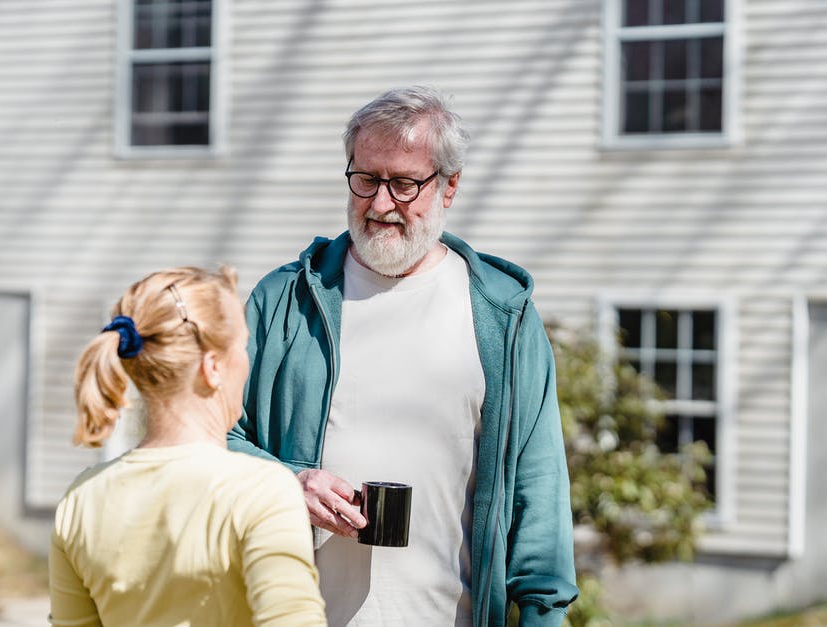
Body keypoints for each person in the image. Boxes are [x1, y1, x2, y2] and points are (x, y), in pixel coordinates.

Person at [227, 86, 579, 626]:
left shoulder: (502, 315)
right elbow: (210, 439)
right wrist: (287, 483)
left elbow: (540, 492)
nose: (380, 204)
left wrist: (542, 614)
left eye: (404, 184)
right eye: (366, 179)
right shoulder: (283, 302)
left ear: (449, 186)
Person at [49, 266, 327, 627]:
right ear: (213, 367)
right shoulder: (263, 491)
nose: (248, 363)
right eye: (243, 347)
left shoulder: (79, 500)